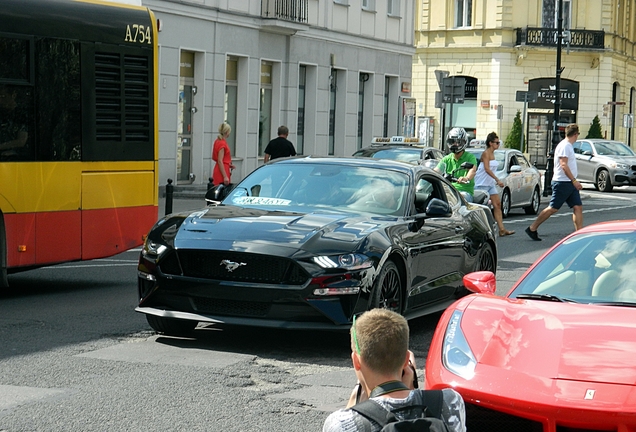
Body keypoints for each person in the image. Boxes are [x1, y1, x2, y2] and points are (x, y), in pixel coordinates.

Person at [322, 308, 466, 432]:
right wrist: (413, 389)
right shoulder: (450, 401)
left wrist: (357, 395)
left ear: (356, 361)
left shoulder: (343, 422)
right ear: (406, 359)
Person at [526, 123, 583, 241]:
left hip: (568, 183)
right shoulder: (565, 146)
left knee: (577, 207)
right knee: (553, 208)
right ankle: (532, 228)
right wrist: (574, 181)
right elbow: (563, 165)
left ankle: (579, 233)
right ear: (576, 134)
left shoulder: (567, 145)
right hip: (563, 182)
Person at [474, 132, 515, 237]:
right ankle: (480, 229)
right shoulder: (486, 153)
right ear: (490, 143)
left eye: (498, 142)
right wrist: (497, 179)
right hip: (481, 183)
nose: (498, 144)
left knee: (497, 204)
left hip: (490, 183)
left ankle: (502, 229)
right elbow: (487, 169)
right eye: (496, 142)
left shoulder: (493, 154)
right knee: (481, 207)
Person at [435, 127, 477, 202]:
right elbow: (436, 171)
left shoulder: (470, 157)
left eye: (458, 142)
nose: (455, 144)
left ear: (464, 142)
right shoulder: (446, 159)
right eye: (452, 142)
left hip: (464, 192)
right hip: (448, 191)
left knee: (459, 201)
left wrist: (466, 178)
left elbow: (472, 170)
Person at [0, 86, 28, 160]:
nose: (0, 100)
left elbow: (21, 141)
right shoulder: (2, 113)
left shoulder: (22, 115)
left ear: (13, 95)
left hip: (15, 159)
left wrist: (2, 146)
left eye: (3, 96)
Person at [212, 122, 235, 187]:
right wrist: (225, 176)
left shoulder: (217, 141)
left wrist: (228, 164)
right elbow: (220, 160)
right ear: (227, 132)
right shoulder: (222, 143)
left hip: (220, 168)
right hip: (222, 170)